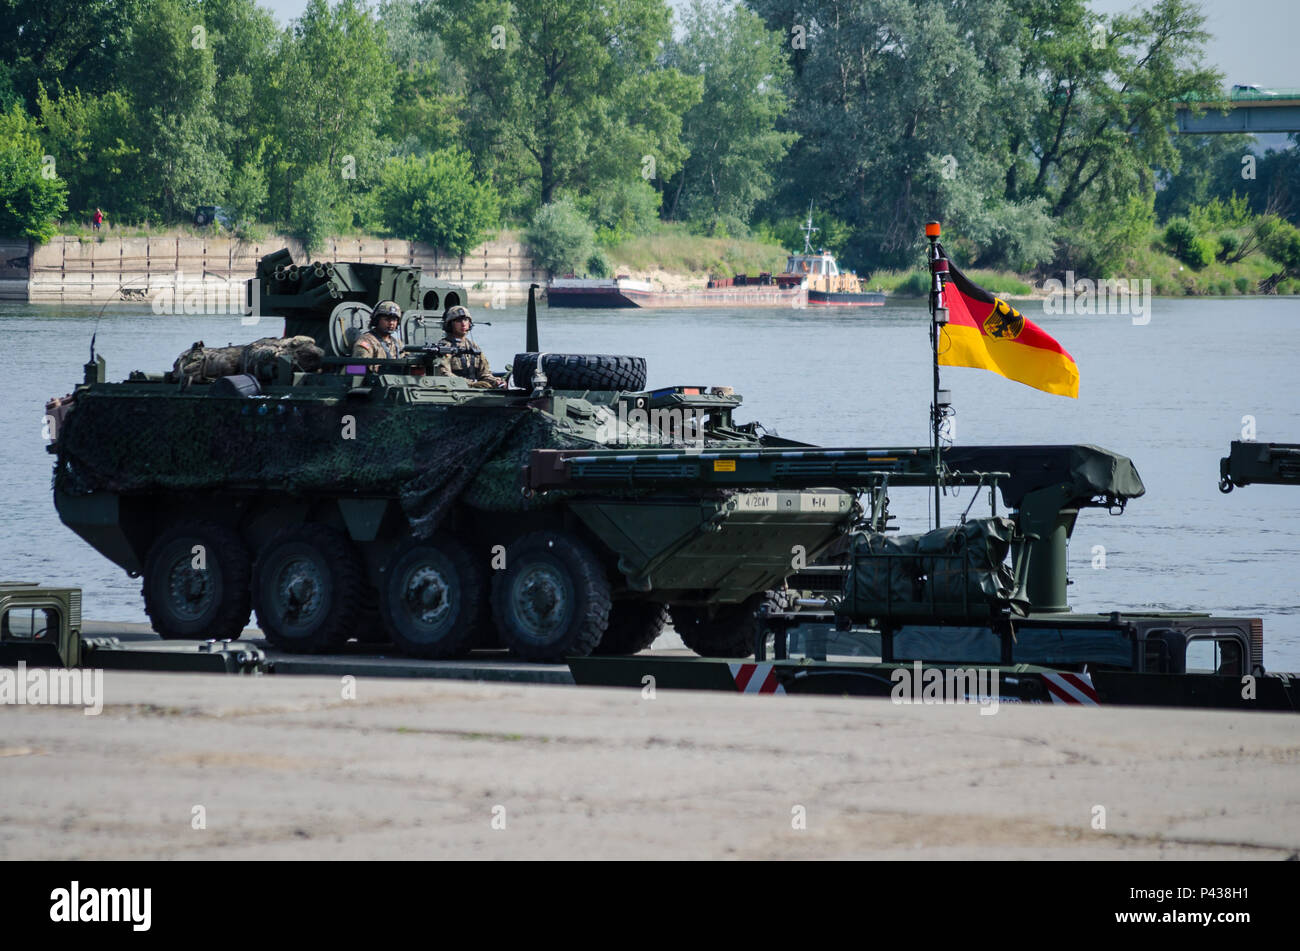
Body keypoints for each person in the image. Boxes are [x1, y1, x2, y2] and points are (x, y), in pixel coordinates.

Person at [436, 305, 503, 388]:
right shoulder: (444, 346)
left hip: (473, 391)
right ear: (450, 324)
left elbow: (484, 374)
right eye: (458, 321)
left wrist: (496, 382)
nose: (463, 324)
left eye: (466, 320)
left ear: (470, 323)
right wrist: (470, 384)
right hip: (453, 390)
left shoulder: (473, 346)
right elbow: (444, 374)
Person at [351, 300, 403, 368]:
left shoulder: (397, 343)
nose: (391, 323)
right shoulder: (366, 341)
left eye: (394, 320)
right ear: (377, 320)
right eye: (387, 319)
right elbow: (355, 369)